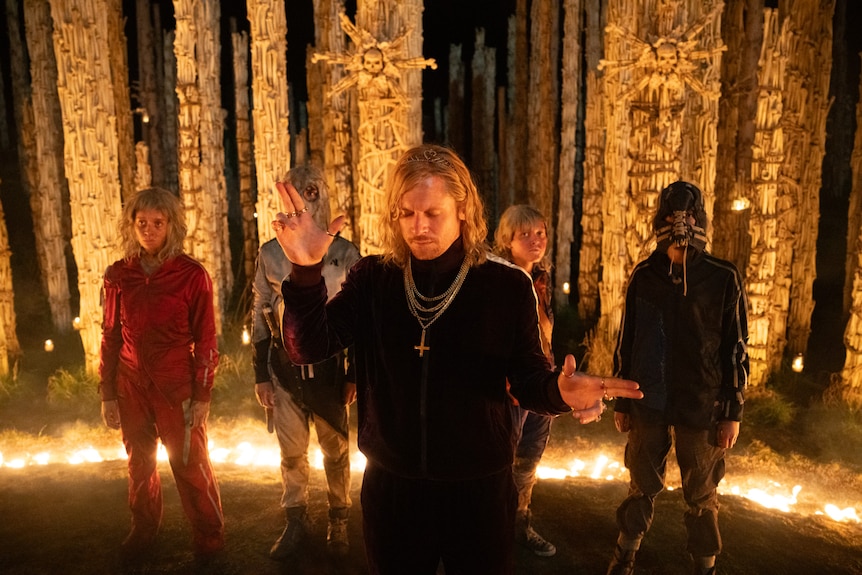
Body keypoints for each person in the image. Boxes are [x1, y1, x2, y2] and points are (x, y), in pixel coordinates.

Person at [271, 143, 643, 575]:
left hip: (479, 488)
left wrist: (559, 392)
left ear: (463, 210)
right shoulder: (375, 279)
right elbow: (306, 347)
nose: (419, 226)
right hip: (393, 488)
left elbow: (526, 379)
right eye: (407, 213)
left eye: (433, 213)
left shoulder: (504, 285)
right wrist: (304, 271)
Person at [606, 181, 749, 575]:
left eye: (687, 217)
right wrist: (622, 398)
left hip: (701, 402)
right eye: (672, 218)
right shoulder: (645, 275)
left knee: (701, 493)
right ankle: (624, 556)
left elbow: (735, 347)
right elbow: (628, 338)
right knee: (641, 483)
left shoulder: (723, 277)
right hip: (647, 399)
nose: (681, 225)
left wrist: (732, 410)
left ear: (699, 220)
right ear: (661, 221)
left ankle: (705, 568)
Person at [98, 187, 224, 560]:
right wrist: (107, 392)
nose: (149, 230)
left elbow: (206, 340)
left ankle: (209, 537)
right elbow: (109, 335)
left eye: (157, 223)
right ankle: (143, 531)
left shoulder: (191, 276)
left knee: (189, 464)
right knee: (139, 464)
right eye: (142, 223)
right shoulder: (119, 275)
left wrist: (202, 396)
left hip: (176, 386)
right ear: (131, 226)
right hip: (130, 384)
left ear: (172, 225)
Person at [252, 165, 361, 560]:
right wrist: (261, 374)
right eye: (296, 193)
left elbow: (360, 319)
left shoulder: (346, 254)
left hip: (330, 371)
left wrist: (354, 374)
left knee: (335, 450)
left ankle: (338, 518)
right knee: (292, 451)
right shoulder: (269, 253)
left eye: (312, 191)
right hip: (284, 369)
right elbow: (260, 311)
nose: (304, 200)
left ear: (323, 195)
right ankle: (296, 517)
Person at [492, 204, 557, 557]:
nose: (536, 241)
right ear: (507, 239)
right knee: (501, 459)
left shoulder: (541, 281)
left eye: (541, 233)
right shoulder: (497, 281)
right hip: (508, 390)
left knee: (529, 460)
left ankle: (520, 524)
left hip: (540, 387)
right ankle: (492, 531)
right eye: (525, 235)